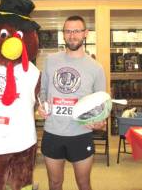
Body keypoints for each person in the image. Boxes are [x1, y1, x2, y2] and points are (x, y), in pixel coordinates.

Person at [38, 15, 106, 190]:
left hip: (81, 134)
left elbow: (101, 103)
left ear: (85, 34)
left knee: (83, 183)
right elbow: (43, 92)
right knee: (54, 183)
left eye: (76, 31)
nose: (72, 35)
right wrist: (42, 106)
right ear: (63, 34)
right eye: (68, 31)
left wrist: (100, 120)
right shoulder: (51, 61)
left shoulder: (96, 68)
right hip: (53, 132)